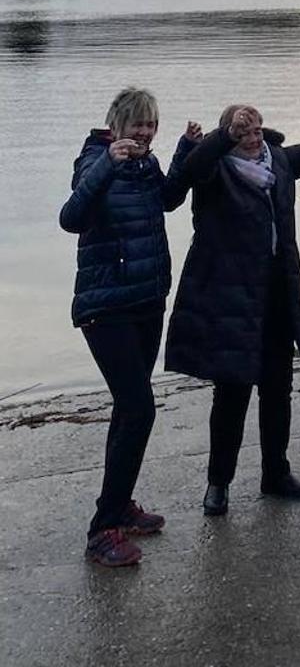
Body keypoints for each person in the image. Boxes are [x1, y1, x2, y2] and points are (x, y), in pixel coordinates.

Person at [166, 103, 300, 515]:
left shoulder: (277, 160)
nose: (253, 136)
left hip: (278, 292)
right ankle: (218, 484)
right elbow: (190, 169)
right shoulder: (213, 171)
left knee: (278, 390)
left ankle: (275, 473)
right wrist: (223, 137)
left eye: (257, 128)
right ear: (227, 135)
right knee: (231, 394)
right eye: (243, 131)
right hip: (230, 298)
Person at [60, 87, 201, 567]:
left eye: (151, 126)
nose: (144, 133)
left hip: (146, 300)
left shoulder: (147, 165)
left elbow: (167, 201)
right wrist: (107, 164)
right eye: (138, 124)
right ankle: (103, 529)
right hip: (105, 307)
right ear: (116, 124)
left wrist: (183, 152)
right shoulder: (93, 159)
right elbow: (72, 217)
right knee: (140, 409)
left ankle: (120, 505)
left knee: (129, 407)